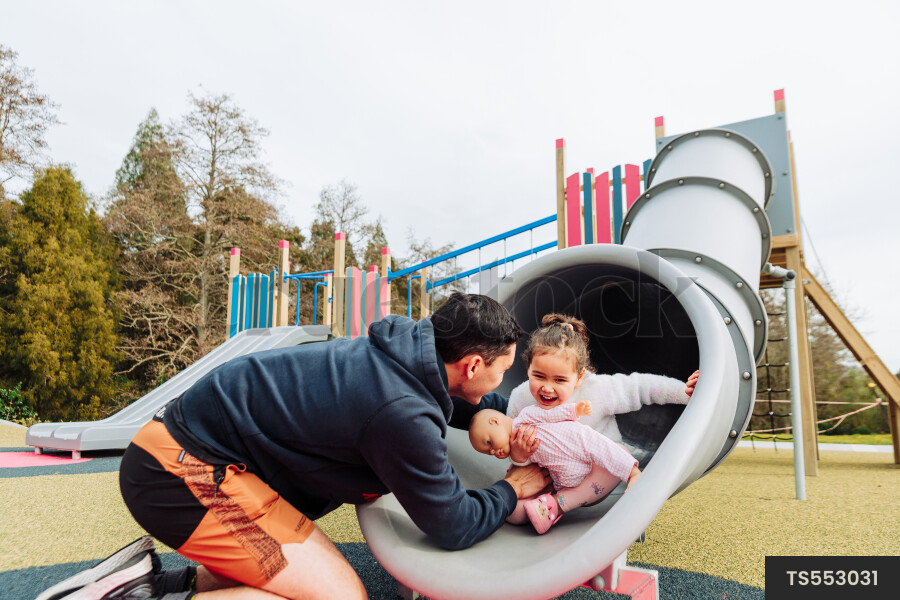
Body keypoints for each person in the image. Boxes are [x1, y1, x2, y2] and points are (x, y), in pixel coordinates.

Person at [42, 293, 551, 600]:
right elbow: (453, 523)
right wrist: (511, 487)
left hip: (185, 449)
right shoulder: (400, 413)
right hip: (184, 474)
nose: (499, 383)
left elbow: (431, 397)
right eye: (501, 372)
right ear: (471, 366)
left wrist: (500, 412)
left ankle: (143, 582)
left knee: (286, 577)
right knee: (337, 596)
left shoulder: (403, 346)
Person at [505, 314, 698, 514]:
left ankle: (558, 504)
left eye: (560, 380)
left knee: (620, 454)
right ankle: (543, 509)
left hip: (592, 479)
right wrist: (519, 457)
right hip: (547, 475)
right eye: (538, 376)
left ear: (579, 377)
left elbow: (642, 387)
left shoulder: (597, 390)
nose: (547, 388)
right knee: (515, 514)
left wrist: (684, 392)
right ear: (528, 367)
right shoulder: (520, 398)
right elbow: (510, 447)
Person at [469, 400, 640, 534]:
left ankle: (632, 471)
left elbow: (551, 414)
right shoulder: (515, 452)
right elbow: (529, 467)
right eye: (490, 452)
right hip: (561, 481)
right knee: (513, 513)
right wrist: (519, 456)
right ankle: (549, 507)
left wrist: (574, 410)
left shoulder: (525, 416)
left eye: (489, 442)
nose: (494, 450)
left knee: (612, 451)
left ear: (495, 421)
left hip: (581, 453)